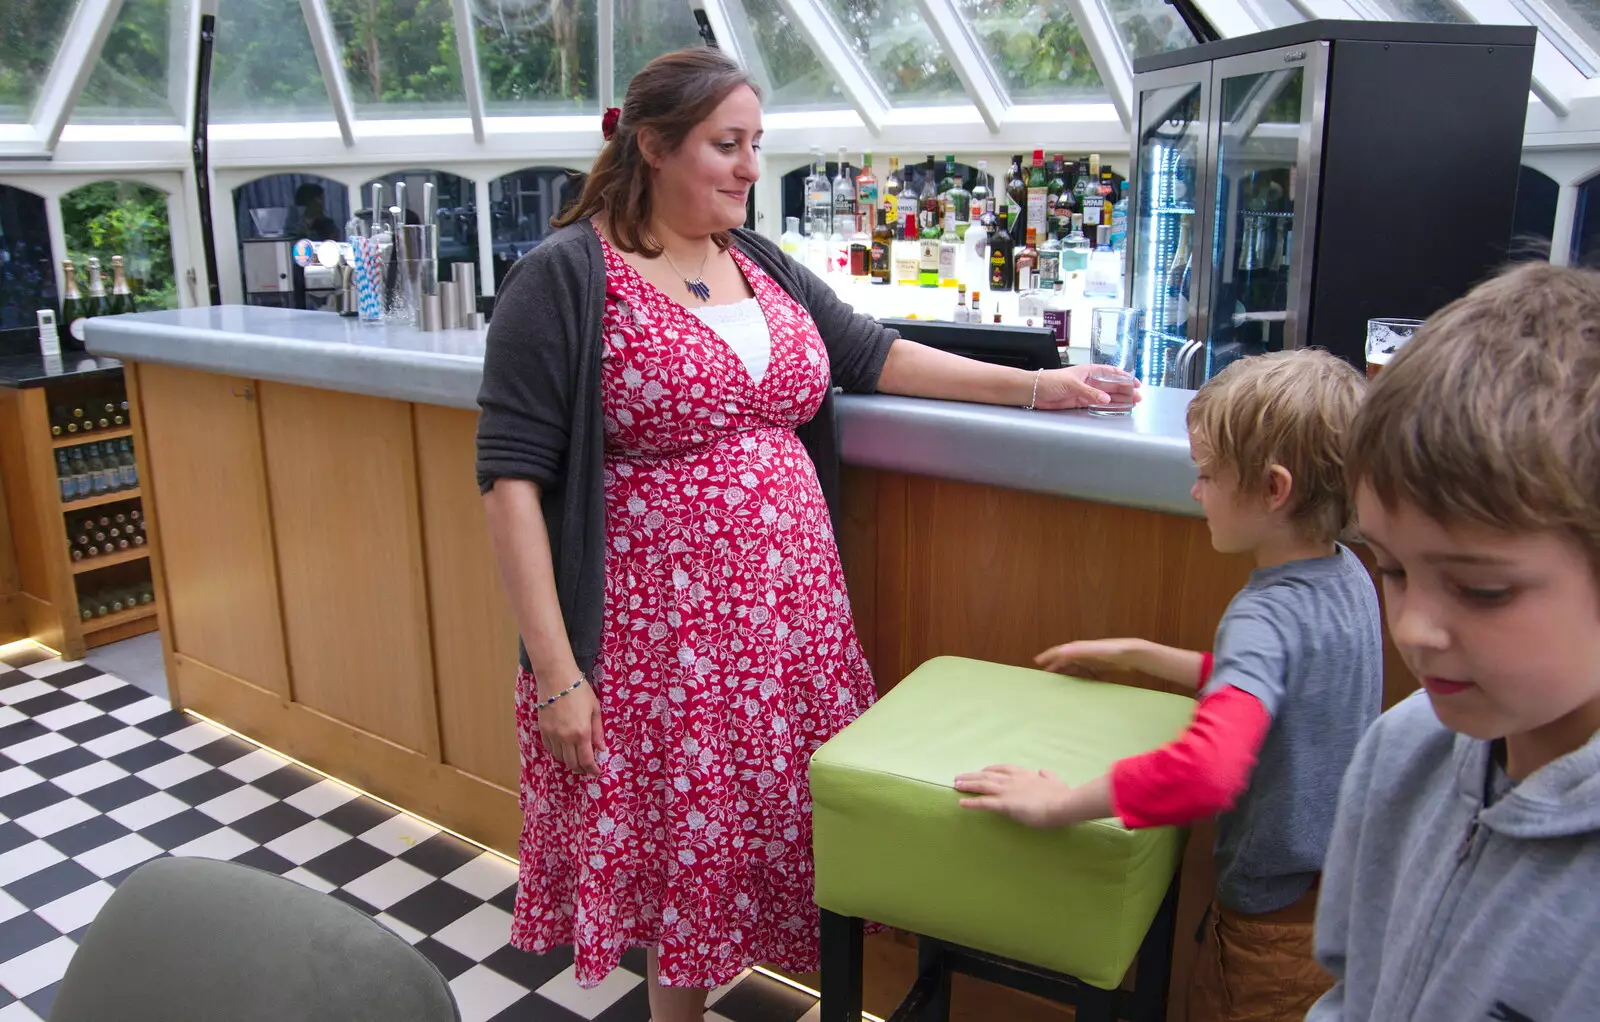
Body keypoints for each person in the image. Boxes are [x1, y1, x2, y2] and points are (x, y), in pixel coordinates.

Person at [474, 47, 1140, 1022]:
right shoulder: (566, 276)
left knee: (758, 830)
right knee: (687, 852)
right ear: (653, 147)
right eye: (726, 145)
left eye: (755, 144)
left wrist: (1041, 385)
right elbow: (511, 482)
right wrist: (560, 672)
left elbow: (873, 353)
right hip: (664, 643)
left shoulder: (759, 261)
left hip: (788, 629)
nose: (750, 167)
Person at [955, 349, 1380, 1022]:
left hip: (1270, 933)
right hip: (1342, 907)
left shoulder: (1264, 614)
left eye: (1208, 474)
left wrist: (1058, 803)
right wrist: (1142, 654)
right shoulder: (1348, 576)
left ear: (1274, 489)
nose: (1195, 491)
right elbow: (1291, 693)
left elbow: (1209, 771)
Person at [1308, 263, 1600, 1021]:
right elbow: (1349, 993)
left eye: (1483, 590)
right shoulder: (1402, 752)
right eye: (1395, 569)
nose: (1412, 629)